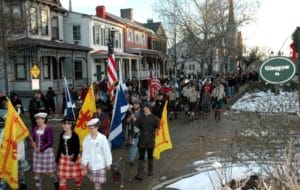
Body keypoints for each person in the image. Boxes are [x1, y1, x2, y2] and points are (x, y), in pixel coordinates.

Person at [81, 118, 112, 190]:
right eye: (90, 128)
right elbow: (85, 152)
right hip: (91, 165)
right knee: (95, 182)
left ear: (97, 127)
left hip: (100, 165)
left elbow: (107, 151)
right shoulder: (87, 139)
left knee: (97, 184)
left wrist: (108, 163)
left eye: (93, 128)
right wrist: (84, 162)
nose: (91, 130)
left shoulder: (102, 138)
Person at [31, 112, 58, 190]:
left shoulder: (48, 129)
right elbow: (32, 139)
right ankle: (38, 188)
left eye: (39, 119)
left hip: (46, 153)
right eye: (36, 119)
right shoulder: (35, 128)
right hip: (36, 153)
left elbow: (50, 142)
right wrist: (33, 144)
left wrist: (41, 148)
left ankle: (55, 179)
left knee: (47, 173)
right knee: (36, 172)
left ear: (44, 119)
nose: (37, 121)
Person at [133, 103, 159, 180]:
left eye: (146, 108)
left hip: (151, 139)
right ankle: (140, 173)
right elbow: (136, 127)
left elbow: (157, 128)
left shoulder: (155, 118)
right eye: (144, 108)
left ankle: (150, 170)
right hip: (142, 139)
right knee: (141, 157)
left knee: (150, 156)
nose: (145, 109)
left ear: (150, 109)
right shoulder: (140, 118)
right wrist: (136, 130)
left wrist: (156, 131)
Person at [56, 116, 83, 190]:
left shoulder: (75, 135)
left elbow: (77, 149)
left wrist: (74, 160)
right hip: (64, 159)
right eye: (63, 124)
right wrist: (57, 158)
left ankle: (78, 187)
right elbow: (60, 147)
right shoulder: (62, 135)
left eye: (66, 124)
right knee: (62, 180)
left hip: (74, 158)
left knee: (77, 177)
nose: (63, 126)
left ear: (70, 125)